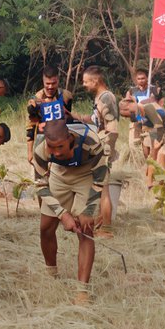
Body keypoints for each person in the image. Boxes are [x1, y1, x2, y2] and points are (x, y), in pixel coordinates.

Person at [32, 119, 109, 301]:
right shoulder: (40, 148)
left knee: (86, 230)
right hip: (59, 175)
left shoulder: (93, 143)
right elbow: (40, 185)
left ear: (71, 140)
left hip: (86, 174)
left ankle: (82, 290)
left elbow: (99, 182)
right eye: (52, 148)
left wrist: (88, 212)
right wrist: (63, 214)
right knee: (46, 227)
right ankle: (51, 273)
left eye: (60, 147)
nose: (56, 152)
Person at [78, 65, 120, 234]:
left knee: (103, 189)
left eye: (86, 81)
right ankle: (101, 221)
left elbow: (113, 128)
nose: (84, 85)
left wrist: (105, 150)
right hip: (99, 145)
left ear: (95, 81)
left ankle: (107, 229)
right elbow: (97, 120)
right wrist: (77, 117)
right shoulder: (99, 98)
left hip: (103, 147)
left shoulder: (106, 98)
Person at [24, 66, 74, 163]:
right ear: (43, 81)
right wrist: (30, 152)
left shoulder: (66, 96)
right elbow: (30, 128)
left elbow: (69, 120)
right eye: (47, 83)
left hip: (61, 140)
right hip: (42, 139)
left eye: (53, 83)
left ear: (58, 80)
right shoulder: (35, 100)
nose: (50, 87)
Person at [118, 97, 165, 187]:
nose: (127, 117)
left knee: (155, 157)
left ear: (128, 107)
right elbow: (141, 122)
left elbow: (158, 125)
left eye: (126, 115)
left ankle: (156, 182)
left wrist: (156, 143)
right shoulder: (138, 112)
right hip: (149, 131)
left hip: (159, 130)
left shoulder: (147, 107)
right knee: (149, 156)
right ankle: (153, 180)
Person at [126, 68, 163, 160]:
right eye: (139, 79)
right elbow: (128, 106)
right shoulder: (132, 91)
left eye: (143, 78)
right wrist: (138, 116)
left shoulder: (154, 90)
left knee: (150, 144)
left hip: (151, 122)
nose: (141, 80)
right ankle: (140, 164)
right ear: (136, 79)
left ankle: (151, 164)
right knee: (134, 144)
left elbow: (160, 105)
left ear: (147, 78)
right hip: (137, 120)